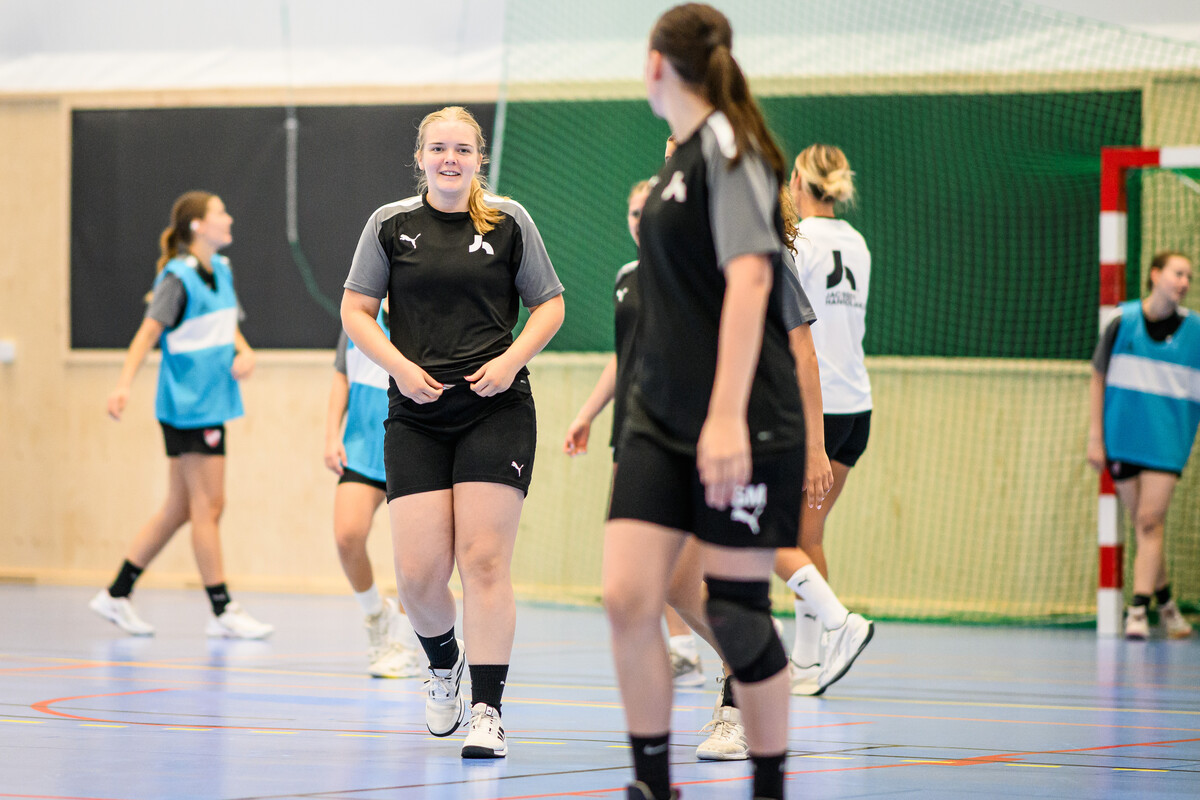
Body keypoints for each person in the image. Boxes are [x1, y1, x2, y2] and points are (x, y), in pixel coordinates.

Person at [604, 5, 816, 798]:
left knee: (734, 612)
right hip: (659, 421)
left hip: (743, 419)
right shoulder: (677, 160)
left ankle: (769, 781)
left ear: (658, 63)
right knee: (629, 597)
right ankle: (652, 784)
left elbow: (752, 280)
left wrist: (726, 416)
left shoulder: (730, 149)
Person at [341, 106, 565, 759]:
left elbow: (549, 304)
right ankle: (443, 662)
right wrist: (400, 368)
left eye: (462, 149)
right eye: (438, 148)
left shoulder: (509, 221)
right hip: (416, 412)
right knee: (418, 577)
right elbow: (356, 310)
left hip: (495, 408)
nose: (449, 158)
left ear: (478, 158)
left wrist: (511, 361)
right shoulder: (388, 225)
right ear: (420, 157)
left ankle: (488, 711)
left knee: (484, 560)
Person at [91, 191, 274, 640]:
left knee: (179, 508)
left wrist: (246, 353)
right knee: (208, 506)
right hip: (188, 408)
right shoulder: (177, 278)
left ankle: (117, 593)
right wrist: (123, 385)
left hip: (212, 403)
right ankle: (222, 609)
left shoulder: (222, 271)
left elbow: (227, 327)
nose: (228, 218)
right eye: (219, 213)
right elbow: (146, 335)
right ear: (197, 225)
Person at [563, 177, 708, 689]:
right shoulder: (626, 277)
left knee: (679, 571)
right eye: (633, 213)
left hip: (683, 435)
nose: (641, 221)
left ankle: (743, 656)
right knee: (637, 572)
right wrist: (587, 412)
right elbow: (622, 355)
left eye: (649, 210)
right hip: (630, 431)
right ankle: (681, 651)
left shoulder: (696, 271)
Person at [773, 144, 875, 696]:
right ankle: (808, 662)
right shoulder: (857, 242)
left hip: (817, 407)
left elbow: (800, 338)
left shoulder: (801, 240)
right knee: (806, 535)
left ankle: (838, 627)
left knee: (772, 535)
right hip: (857, 405)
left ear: (798, 181)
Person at [1088, 250, 1197, 641]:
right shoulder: (1122, 321)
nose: (1184, 282)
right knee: (1145, 526)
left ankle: (1137, 611)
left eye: (1188, 276)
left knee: (1149, 521)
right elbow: (1098, 376)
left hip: (1167, 442)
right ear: (1155, 274)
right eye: (1177, 273)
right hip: (1123, 437)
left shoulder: (1195, 331)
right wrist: (1095, 437)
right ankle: (1167, 604)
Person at [324, 299, 423, 677]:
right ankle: (376, 615)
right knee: (347, 536)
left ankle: (406, 642)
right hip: (364, 447)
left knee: (415, 554)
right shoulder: (357, 313)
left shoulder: (425, 310)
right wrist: (331, 434)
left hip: (414, 443)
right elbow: (341, 374)